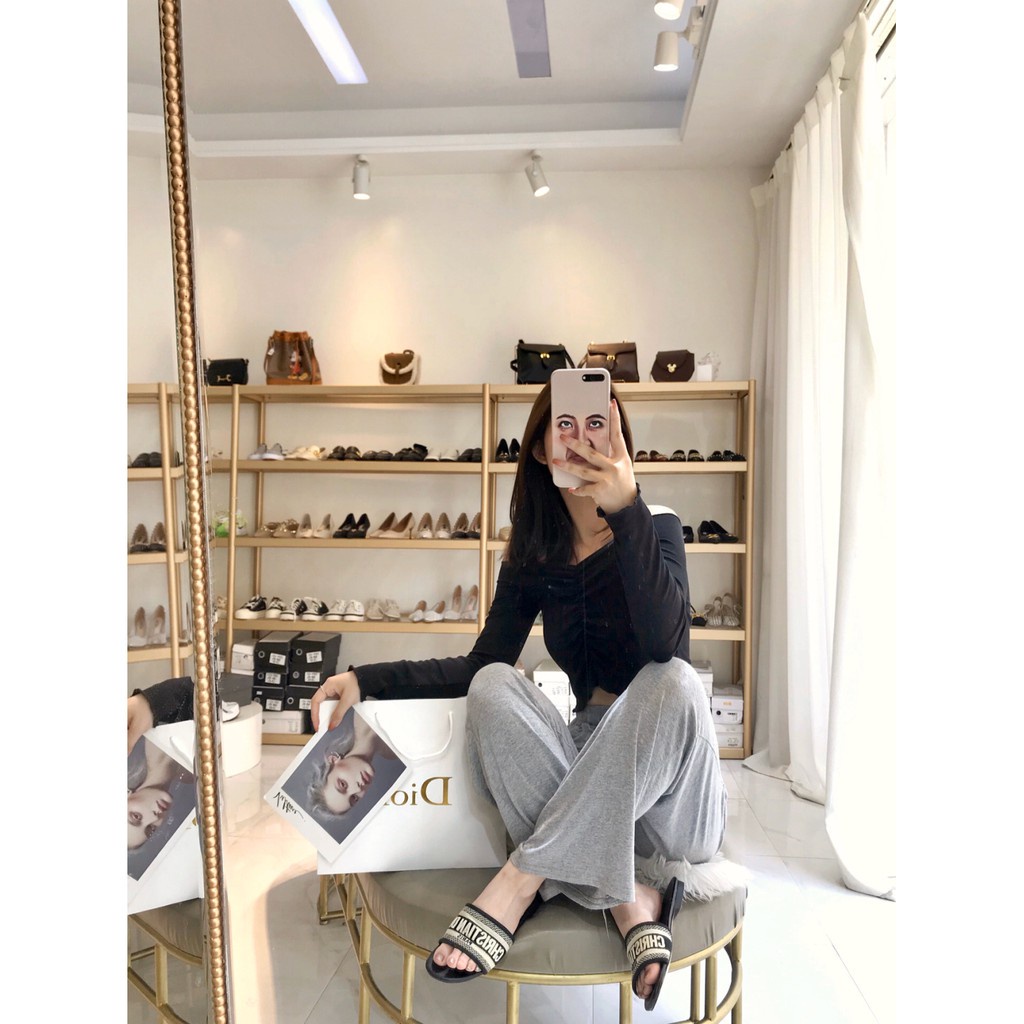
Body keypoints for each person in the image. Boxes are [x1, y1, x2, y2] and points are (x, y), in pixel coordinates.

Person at [312, 381, 727, 1011]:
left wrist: (626, 508)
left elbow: (668, 644)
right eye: (566, 425)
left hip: (671, 794)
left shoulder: (657, 525)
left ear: (619, 434)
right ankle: (627, 898)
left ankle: (522, 877)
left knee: (671, 679)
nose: (583, 439)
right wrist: (370, 677)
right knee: (493, 684)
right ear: (539, 449)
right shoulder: (535, 555)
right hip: (586, 762)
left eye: (597, 423)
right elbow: (481, 663)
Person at [306, 710, 399, 817]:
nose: (358, 789)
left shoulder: (362, 713)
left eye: (343, 784)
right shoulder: (394, 754)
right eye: (354, 798)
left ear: (333, 760)